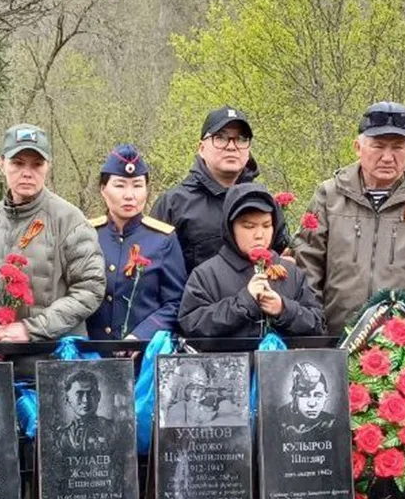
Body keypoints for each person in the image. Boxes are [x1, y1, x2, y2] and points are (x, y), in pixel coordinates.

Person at [295, 102, 405, 336]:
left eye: (398, 147)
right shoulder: (329, 195)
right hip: (336, 339)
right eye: (378, 146)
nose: (387, 157)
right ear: (357, 147)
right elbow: (308, 264)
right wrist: (313, 327)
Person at [0, 124, 104, 356]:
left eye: (37, 164)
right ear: (1, 163)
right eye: (17, 163)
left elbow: (90, 289)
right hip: (0, 362)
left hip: (59, 359)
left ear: (48, 167)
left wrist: (30, 329)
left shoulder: (69, 220)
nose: (27, 173)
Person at [152, 106, 289, 273]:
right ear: (201, 148)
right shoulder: (173, 204)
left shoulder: (264, 202)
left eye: (241, 139)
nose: (232, 147)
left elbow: (279, 258)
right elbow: (154, 272)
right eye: (221, 138)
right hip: (194, 298)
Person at [179, 184, 325, 339]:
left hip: (283, 362)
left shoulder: (292, 273)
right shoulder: (207, 275)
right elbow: (191, 325)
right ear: (231, 228)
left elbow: (318, 325)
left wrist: (283, 309)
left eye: (267, 225)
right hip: (227, 362)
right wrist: (243, 303)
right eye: (249, 226)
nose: (259, 235)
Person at [87, 145, 186, 340]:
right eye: (120, 185)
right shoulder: (87, 235)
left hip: (143, 355)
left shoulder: (163, 239)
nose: (129, 195)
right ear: (103, 189)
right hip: (91, 354)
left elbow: (176, 303)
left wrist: (141, 336)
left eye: (137, 185)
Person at [56, 370, 120, 455]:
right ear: (68, 399)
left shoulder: (113, 429)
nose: (85, 400)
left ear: (98, 396)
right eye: (79, 394)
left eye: (90, 394)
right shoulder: (62, 435)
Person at [278, 361, 338, 443]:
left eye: (318, 395)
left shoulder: (331, 422)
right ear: (294, 396)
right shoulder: (279, 419)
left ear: (326, 397)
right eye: (305, 395)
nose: (312, 404)